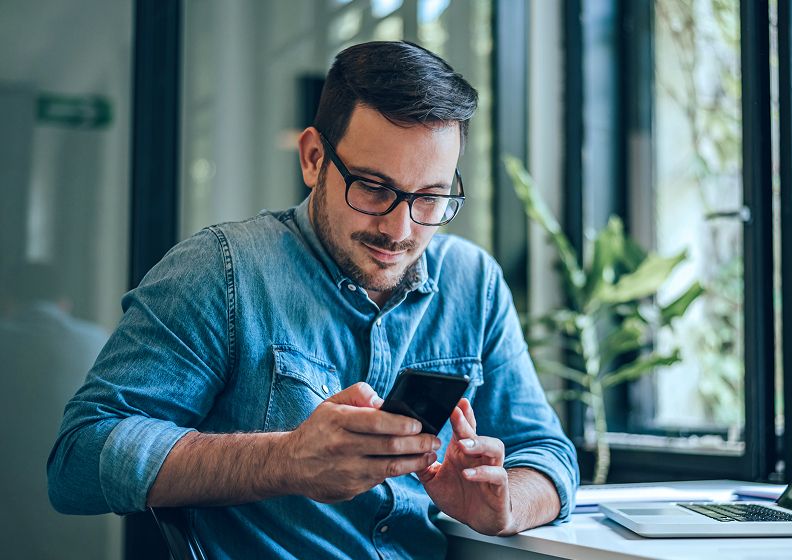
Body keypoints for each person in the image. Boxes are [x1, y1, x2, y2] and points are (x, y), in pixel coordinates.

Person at [48, 40, 578, 558]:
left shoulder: (474, 282)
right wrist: (288, 460)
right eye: (373, 187)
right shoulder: (218, 272)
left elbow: (549, 455)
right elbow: (78, 462)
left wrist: (505, 505)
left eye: (431, 198)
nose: (399, 229)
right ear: (313, 158)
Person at [0, 262, 111, 559]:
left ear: (8, 303)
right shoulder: (97, 341)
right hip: (83, 515)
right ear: (64, 304)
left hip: (10, 517)